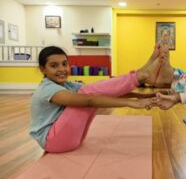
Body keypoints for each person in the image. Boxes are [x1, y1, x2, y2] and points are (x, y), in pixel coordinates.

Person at [30, 45, 167, 153]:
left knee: (92, 89)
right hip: (53, 142)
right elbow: (89, 100)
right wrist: (131, 103)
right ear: (43, 69)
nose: (62, 69)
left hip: (72, 139)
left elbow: (105, 91)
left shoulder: (69, 85)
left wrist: (145, 96)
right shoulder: (47, 89)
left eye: (64, 64)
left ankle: (141, 74)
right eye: (54, 66)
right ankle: (140, 76)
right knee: (86, 93)